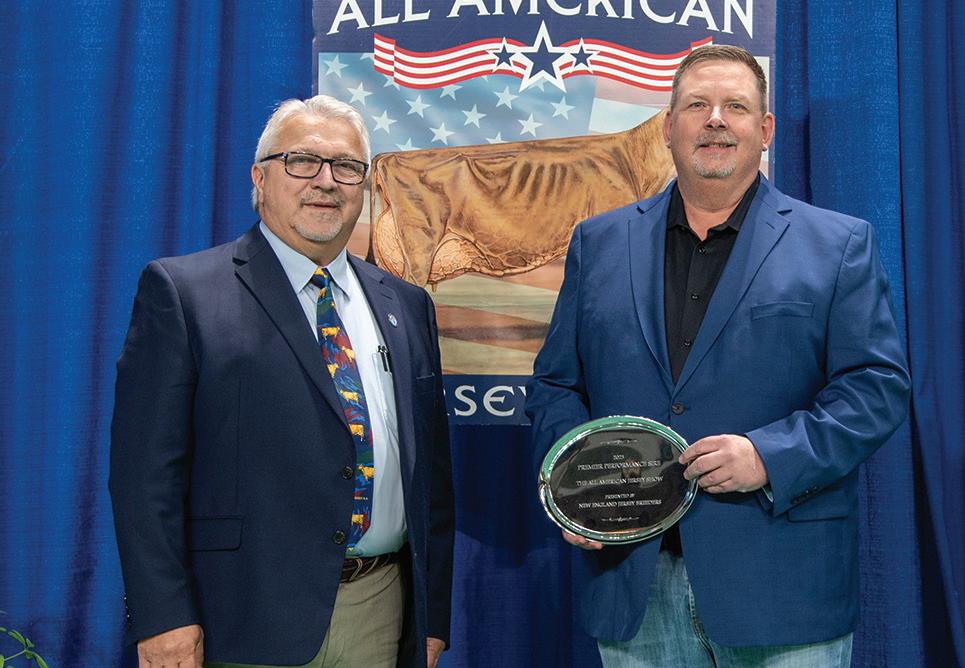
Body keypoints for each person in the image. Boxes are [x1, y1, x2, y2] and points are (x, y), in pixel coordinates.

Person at [525, 45, 910, 667]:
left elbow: (875, 387)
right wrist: (574, 485)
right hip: (634, 583)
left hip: (782, 587)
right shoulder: (598, 242)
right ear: (668, 127)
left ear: (765, 130)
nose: (715, 120)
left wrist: (770, 456)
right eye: (697, 105)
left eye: (736, 106)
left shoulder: (838, 244)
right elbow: (556, 385)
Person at [109, 94, 454, 668]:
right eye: (303, 161)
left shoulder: (406, 304)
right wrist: (163, 615)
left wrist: (431, 616)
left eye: (346, 166)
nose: (326, 181)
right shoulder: (184, 293)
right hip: (241, 616)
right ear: (260, 178)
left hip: (382, 609)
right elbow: (144, 476)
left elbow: (433, 479)